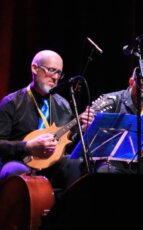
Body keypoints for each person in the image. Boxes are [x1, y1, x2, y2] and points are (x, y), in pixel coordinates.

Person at [0, 50, 90, 189]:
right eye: (51, 70)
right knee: (20, 174)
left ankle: (69, 210)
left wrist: (82, 128)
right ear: (34, 68)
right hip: (19, 160)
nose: (55, 77)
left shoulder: (63, 105)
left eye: (59, 73)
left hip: (51, 161)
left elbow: (69, 140)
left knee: (76, 165)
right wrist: (27, 146)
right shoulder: (11, 102)